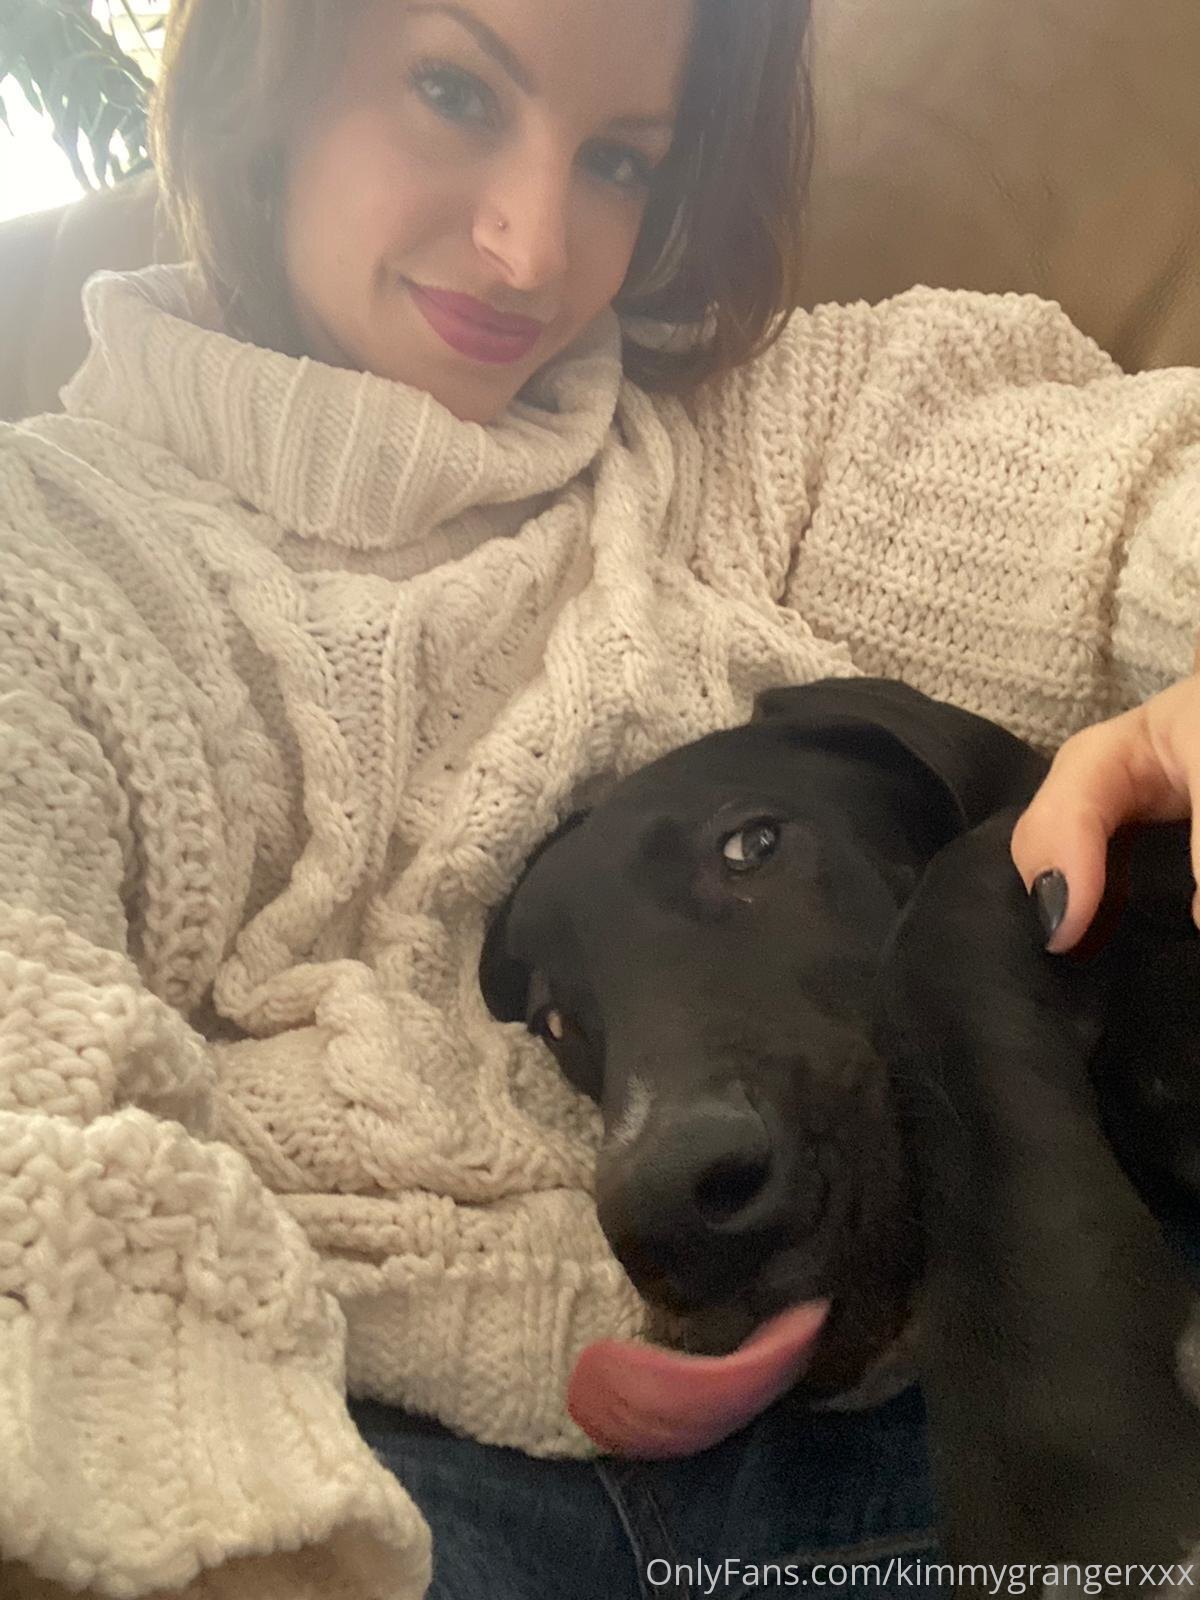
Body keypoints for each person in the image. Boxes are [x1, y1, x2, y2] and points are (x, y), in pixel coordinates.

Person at [2, 0, 1199, 1596]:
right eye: (452, 89)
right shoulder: (53, 569)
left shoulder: (752, 428)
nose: (532, 249)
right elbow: (25, 1072)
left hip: (1038, 1317)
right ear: (263, 69)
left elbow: (1124, 508)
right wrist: (222, 1519)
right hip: (396, 1493)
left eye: (623, 159)